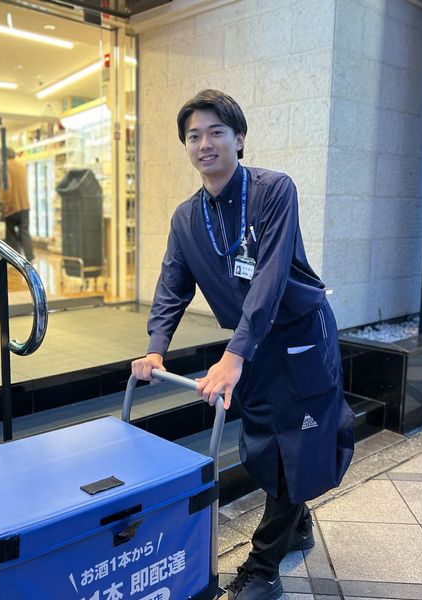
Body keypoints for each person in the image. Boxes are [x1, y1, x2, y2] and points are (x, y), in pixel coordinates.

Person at [131, 90, 355, 600]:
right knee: (264, 446)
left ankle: (263, 568)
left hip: (298, 340)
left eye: (216, 132)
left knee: (300, 447)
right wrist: (156, 347)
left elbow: (269, 278)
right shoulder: (186, 218)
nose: (204, 144)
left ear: (239, 138)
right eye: (193, 136)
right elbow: (172, 286)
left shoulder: (274, 191)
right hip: (250, 348)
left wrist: (233, 355)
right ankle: (297, 524)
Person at [1, 148, 34, 261]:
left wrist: (6, 203)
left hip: (12, 206)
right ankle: (30, 257)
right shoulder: (22, 165)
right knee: (24, 232)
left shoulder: (5, 167)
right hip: (25, 205)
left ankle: (16, 258)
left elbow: (7, 187)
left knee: (10, 234)